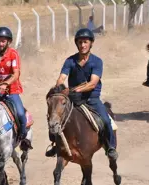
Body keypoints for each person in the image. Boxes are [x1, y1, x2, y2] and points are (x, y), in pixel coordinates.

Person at [45, 28, 118, 161]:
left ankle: (110, 147)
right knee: (54, 116)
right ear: (77, 44)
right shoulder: (70, 61)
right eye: (80, 42)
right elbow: (61, 78)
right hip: (73, 99)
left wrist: (74, 90)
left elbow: (92, 83)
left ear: (91, 43)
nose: (82, 45)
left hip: (92, 99)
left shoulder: (97, 61)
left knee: (106, 121)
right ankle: (56, 144)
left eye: (85, 42)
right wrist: (60, 87)